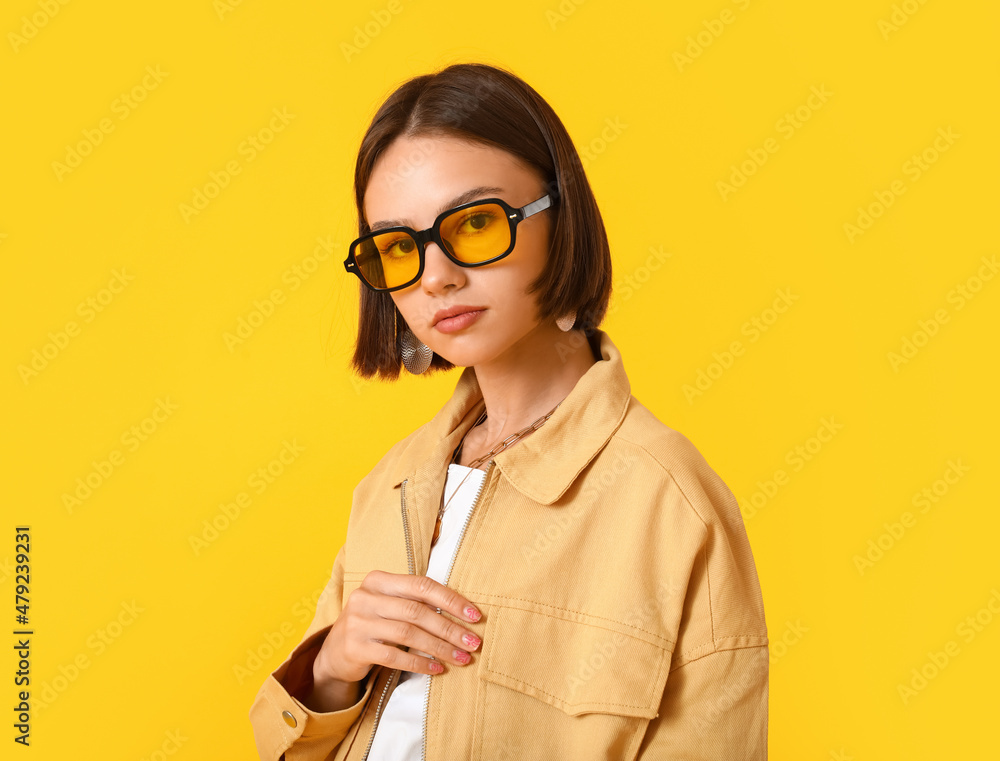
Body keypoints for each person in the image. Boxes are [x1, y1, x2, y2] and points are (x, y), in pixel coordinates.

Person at [249, 62, 768, 761]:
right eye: (399, 246)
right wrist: (332, 666)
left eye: (474, 223)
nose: (437, 275)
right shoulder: (392, 484)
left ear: (560, 214)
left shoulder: (670, 502)